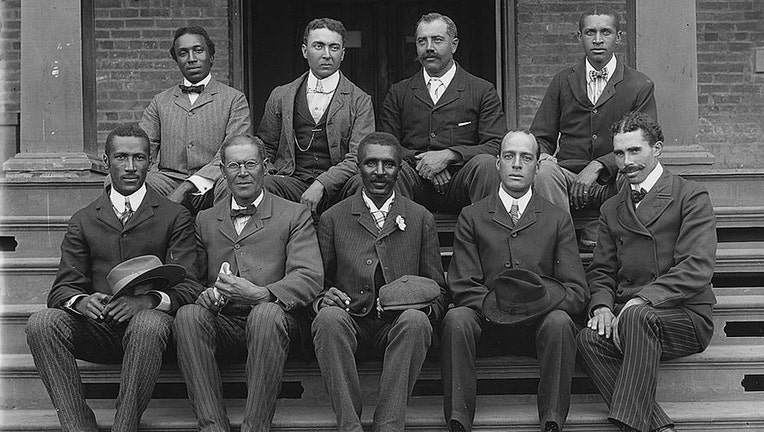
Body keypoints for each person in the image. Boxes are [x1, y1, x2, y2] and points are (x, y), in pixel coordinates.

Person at [25, 124, 201, 432]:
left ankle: (125, 427)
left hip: (154, 334)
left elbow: (191, 284)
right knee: (41, 323)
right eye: (121, 157)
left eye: (139, 158)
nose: (131, 167)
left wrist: (147, 302)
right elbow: (62, 289)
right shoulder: (83, 219)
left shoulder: (175, 215)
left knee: (148, 323)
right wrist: (81, 302)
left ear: (151, 161)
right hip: (100, 330)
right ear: (107, 162)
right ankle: (78, 427)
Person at [577, 112, 717, 432]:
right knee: (587, 338)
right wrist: (600, 306)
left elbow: (697, 265)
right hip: (632, 317)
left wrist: (641, 300)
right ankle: (655, 427)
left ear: (657, 149)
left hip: (683, 316)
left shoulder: (690, 196)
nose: (627, 162)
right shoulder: (612, 207)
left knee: (637, 317)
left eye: (635, 151)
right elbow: (601, 269)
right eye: (619, 153)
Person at [173, 134, 323, 431]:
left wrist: (262, 294)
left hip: (277, 320)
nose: (242, 172)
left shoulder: (294, 214)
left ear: (265, 166)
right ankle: (212, 426)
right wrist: (205, 296)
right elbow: (191, 278)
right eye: (234, 165)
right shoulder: (204, 219)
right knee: (188, 315)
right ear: (223, 170)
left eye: (250, 164)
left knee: (265, 314)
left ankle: (255, 427)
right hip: (225, 321)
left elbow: (309, 276)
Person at [441, 130, 588, 432]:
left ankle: (552, 419)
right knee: (457, 318)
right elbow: (462, 285)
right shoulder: (472, 216)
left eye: (526, 158)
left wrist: (536, 305)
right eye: (509, 157)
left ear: (537, 166)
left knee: (561, 321)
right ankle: (458, 418)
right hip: (487, 326)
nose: (517, 164)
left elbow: (575, 290)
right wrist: (497, 309)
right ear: (497, 164)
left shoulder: (556, 218)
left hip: (539, 326)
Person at [312, 132, 448, 431]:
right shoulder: (333, 218)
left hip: (397, 326)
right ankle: (349, 426)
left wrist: (423, 308)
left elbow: (438, 289)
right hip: (352, 323)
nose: (379, 172)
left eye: (388, 164)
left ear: (400, 169)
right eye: (371, 163)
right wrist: (324, 298)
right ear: (359, 167)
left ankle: (388, 425)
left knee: (416, 320)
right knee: (328, 319)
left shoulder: (419, 217)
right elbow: (317, 285)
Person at [351, 12, 505, 213]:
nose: (429, 47)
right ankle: (395, 238)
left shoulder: (481, 90)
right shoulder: (399, 92)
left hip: (462, 181)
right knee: (390, 169)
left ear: (454, 45)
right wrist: (424, 162)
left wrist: (448, 156)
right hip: (414, 182)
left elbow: (496, 145)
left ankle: (487, 237)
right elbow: (386, 145)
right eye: (422, 41)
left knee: (486, 164)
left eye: (437, 40)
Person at [529, 7, 656, 248]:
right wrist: (544, 154)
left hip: (613, 180)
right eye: (590, 32)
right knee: (543, 171)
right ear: (579, 37)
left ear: (618, 37)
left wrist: (599, 164)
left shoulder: (639, 84)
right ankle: (560, 242)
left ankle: (607, 231)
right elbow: (541, 135)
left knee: (637, 167)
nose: (598, 40)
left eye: (605, 32)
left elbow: (644, 139)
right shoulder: (562, 80)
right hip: (566, 178)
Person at [257, 17, 374, 213]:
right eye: (318, 46)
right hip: (292, 182)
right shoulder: (281, 95)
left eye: (334, 47)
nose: (327, 54)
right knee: (265, 185)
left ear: (343, 54)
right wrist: (271, 172)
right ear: (305, 51)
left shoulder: (359, 100)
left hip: (340, 188)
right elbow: (266, 147)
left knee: (362, 185)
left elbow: (359, 156)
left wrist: (322, 184)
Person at [139, 25, 252, 213]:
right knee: (121, 181)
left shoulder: (234, 99)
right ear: (177, 60)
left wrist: (189, 185)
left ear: (211, 56)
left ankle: (225, 240)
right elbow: (142, 146)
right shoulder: (160, 101)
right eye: (183, 53)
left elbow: (233, 151)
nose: (191, 59)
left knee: (232, 185)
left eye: (198, 51)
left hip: (215, 182)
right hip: (169, 181)